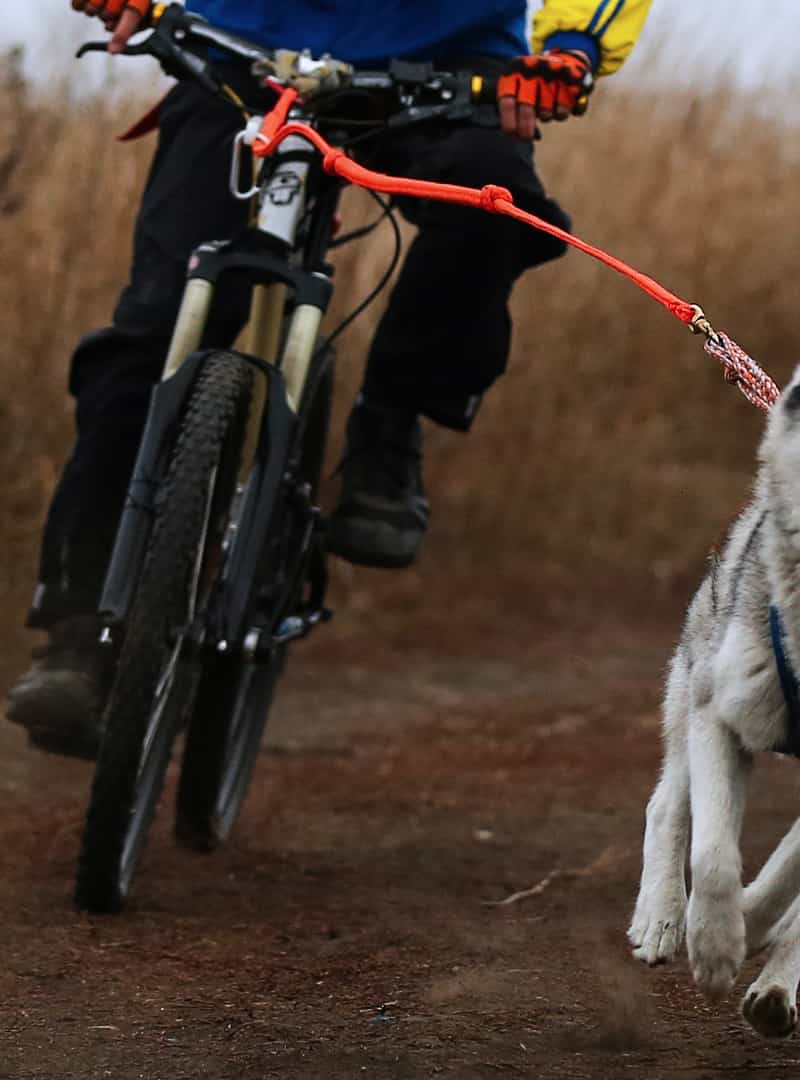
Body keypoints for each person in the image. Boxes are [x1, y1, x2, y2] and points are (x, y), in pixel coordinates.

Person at [6, 0, 654, 757]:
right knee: (149, 337)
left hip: (442, 68)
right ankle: (79, 630)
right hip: (238, 55)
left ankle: (388, 428)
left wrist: (573, 47)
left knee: (493, 203)